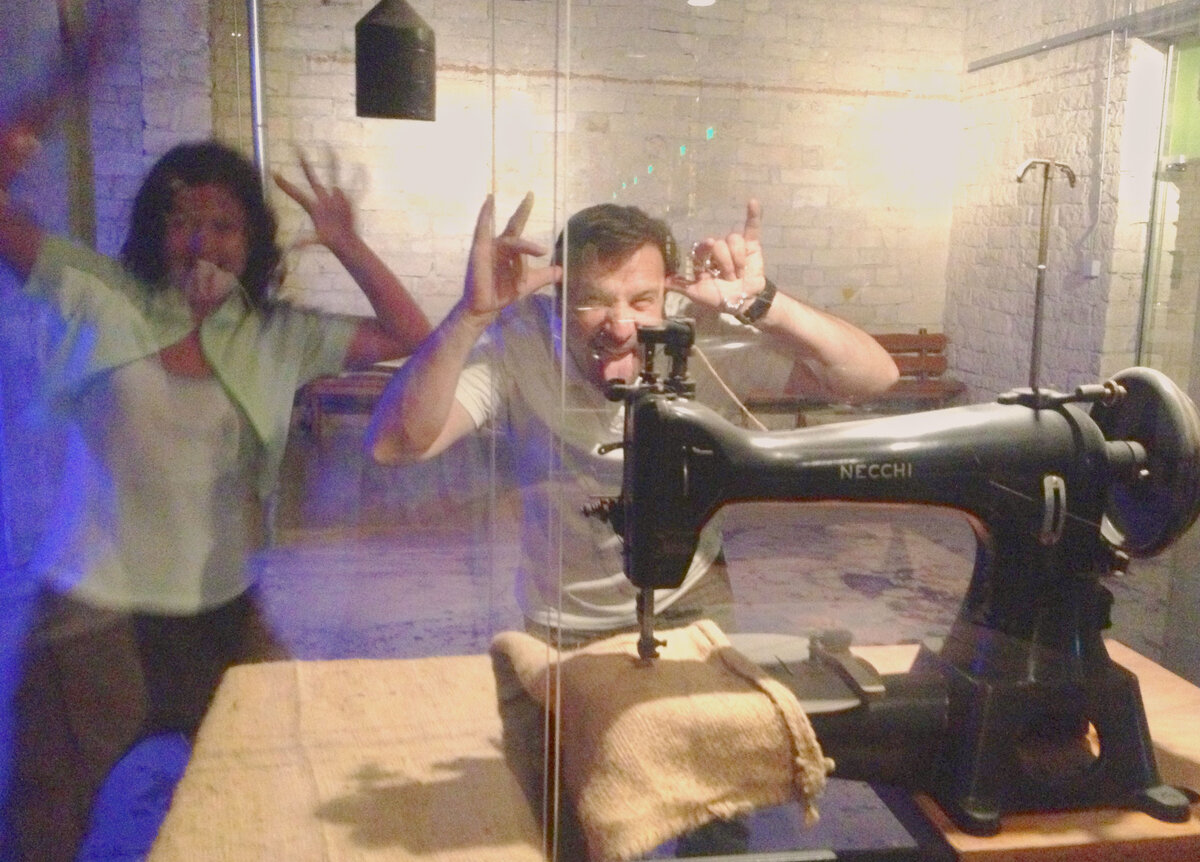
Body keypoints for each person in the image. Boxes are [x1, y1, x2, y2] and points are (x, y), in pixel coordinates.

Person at [0, 116, 432, 859]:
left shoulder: (275, 334)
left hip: (221, 608)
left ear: (252, 242)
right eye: (183, 221)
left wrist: (346, 243)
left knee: (278, 778)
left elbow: (414, 336)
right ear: (155, 232)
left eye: (225, 224)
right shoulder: (104, 295)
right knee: (50, 818)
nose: (203, 240)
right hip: (94, 613)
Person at [367, 193, 899, 645]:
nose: (620, 326)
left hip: (690, 593)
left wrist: (764, 303)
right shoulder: (525, 342)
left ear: (668, 296)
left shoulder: (697, 339)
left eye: (642, 300)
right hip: (563, 616)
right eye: (592, 301)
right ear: (558, 303)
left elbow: (874, 378)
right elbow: (395, 444)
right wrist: (469, 318)